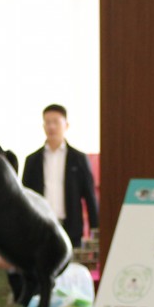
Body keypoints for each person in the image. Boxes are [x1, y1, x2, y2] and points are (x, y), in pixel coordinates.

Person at [22, 104, 99, 249]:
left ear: (66, 125)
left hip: (71, 228)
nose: (51, 126)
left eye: (56, 122)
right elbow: (25, 197)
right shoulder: (32, 160)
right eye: (47, 122)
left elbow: (90, 196)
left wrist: (95, 231)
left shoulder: (78, 158)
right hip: (40, 227)